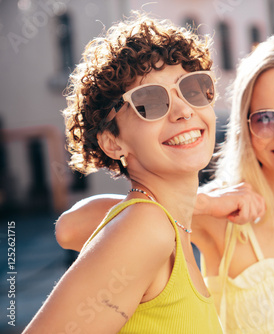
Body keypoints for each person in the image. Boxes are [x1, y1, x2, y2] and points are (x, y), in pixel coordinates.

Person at [55, 32, 274, 333]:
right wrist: (205, 204)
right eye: (266, 118)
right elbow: (72, 228)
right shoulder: (218, 216)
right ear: (245, 128)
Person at [23, 13, 223, 333]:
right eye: (149, 102)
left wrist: (206, 204)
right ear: (113, 142)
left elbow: (69, 226)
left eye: (193, 88)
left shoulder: (165, 227)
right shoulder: (147, 229)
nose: (184, 110)